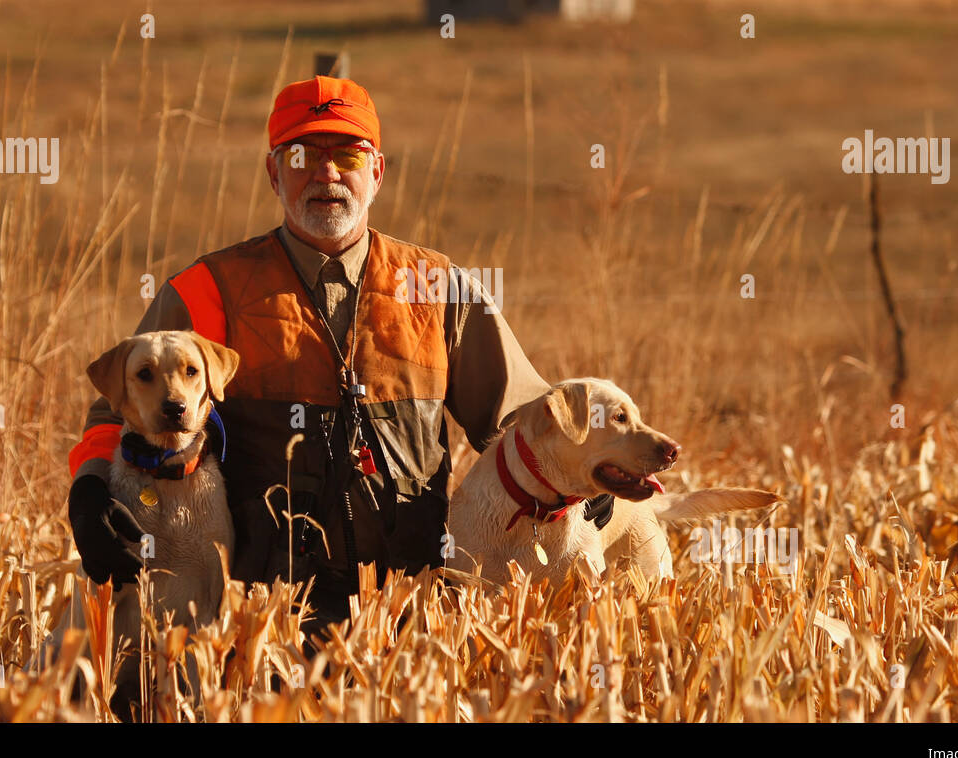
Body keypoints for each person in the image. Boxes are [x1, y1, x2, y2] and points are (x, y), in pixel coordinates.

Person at [65, 75, 613, 632]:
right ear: (273, 173)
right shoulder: (208, 288)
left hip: (410, 612)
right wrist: (89, 490)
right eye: (301, 153)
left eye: (348, 153)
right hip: (262, 617)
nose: (326, 172)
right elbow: (121, 409)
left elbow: (523, 417)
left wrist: (579, 464)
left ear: (377, 172)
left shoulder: (435, 285)